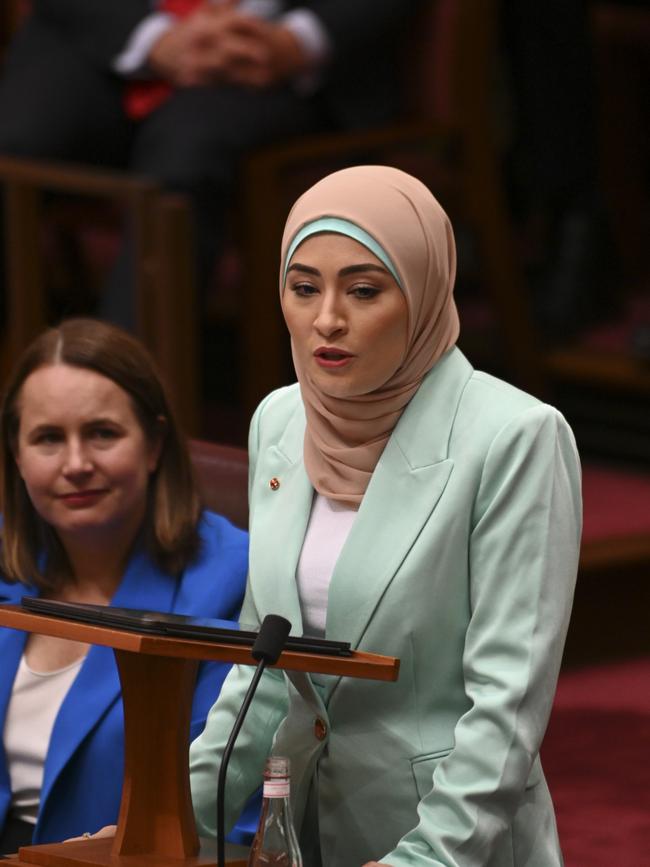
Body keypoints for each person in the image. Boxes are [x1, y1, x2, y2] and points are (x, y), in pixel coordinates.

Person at [188, 166, 582, 866]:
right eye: (303, 287)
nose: (327, 319)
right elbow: (263, 669)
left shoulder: (515, 436)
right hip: (306, 831)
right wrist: (174, 819)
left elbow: (507, 703)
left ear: (425, 292)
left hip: (457, 842)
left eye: (364, 290)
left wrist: (427, 857)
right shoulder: (280, 419)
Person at [0, 0, 420, 329]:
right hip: (103, 34)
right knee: (17, 137)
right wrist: (156, 40)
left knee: (186, 152)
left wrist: (299, 41)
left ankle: (119, 397)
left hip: (273, 60)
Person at [0, 318, 252, 852]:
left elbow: (234, 802)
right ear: (17, 458)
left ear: (155, 444)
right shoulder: (8, 564)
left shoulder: (231, 581)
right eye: (47, 438)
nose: (76, 464)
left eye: (102, 434)